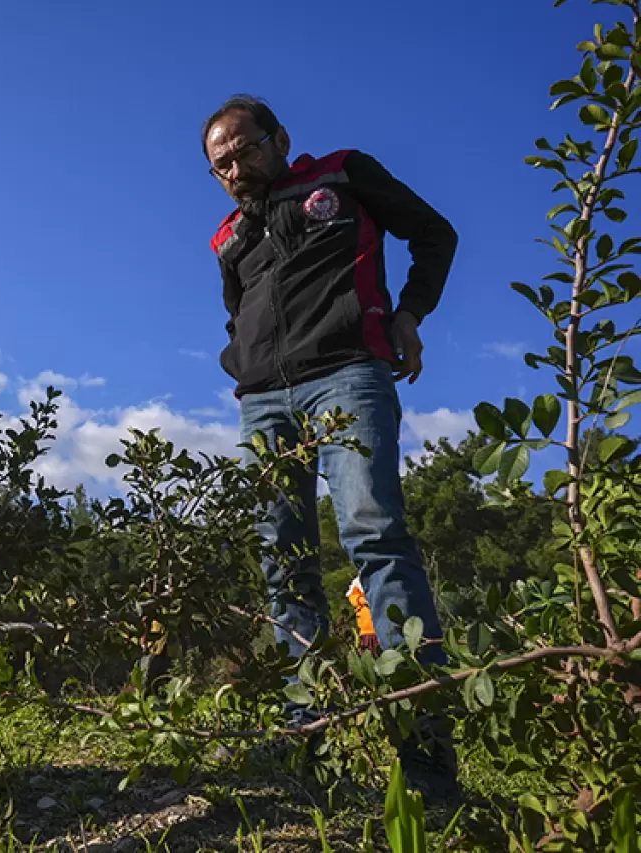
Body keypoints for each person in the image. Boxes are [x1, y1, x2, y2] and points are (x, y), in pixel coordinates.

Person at [201, 95, 461, 802]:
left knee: (375, 537)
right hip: (263, 401)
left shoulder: (342, 176)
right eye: (221, 164)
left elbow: (435, 233)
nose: (235, 168)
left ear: (279, 138)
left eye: (245, 150)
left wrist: (408, 315)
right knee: (282, 562)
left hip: (348, 375)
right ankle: (309, 749)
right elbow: (238, 314)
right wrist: (245, 366)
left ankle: (426, 767)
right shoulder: (228, 236)